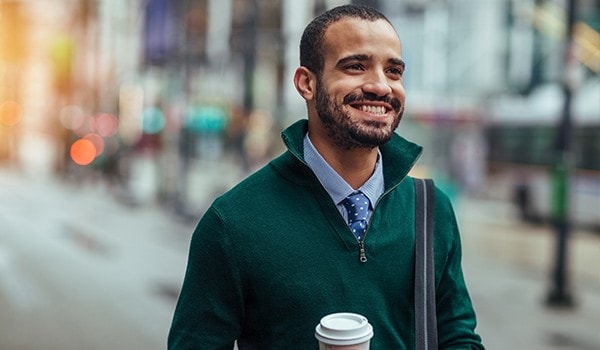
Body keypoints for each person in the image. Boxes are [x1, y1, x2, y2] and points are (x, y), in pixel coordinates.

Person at [168, 4, 484, 349]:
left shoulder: (431, 209)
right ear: (307, 83)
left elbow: (458, 337)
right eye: (355, 66)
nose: (381, 86)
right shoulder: (232, 223)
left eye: (393, 71)